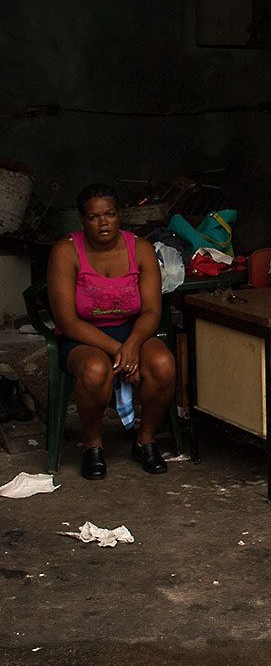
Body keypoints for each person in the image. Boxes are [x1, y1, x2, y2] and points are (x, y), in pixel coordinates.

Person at [47, 184, 177, 480]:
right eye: (94, 217)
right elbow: (67, 321)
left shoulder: (140, 249)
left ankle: (145, 440)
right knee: (94, 371)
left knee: (163, 364)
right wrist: (120, 352)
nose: (103, 222)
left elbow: (152, 312)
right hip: (83, 335)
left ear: (120, 216)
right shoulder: (65, 251)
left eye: (110, 214)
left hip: (133, 331)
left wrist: (131, 344)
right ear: (82, 220)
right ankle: (92, 444)